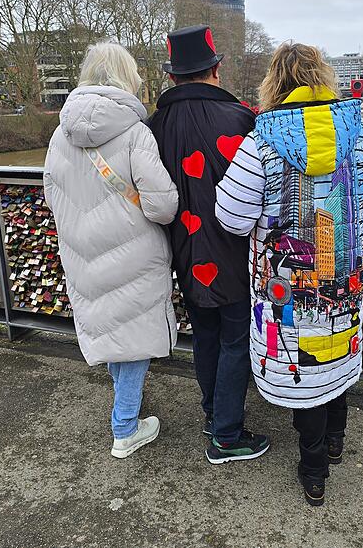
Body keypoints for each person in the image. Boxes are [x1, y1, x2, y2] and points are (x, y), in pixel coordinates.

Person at [215, 42, 363, 505]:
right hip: (343, 281)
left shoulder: (262, 141)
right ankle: (335, 441)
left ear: (275, 84)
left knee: (304, 370)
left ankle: (314, 472)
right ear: (323, 77)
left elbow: (230, 215)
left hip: (286, 287)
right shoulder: (358, 133)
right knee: (338, 357)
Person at [44, 42, 179, 459]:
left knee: (112, 327)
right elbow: (162, 205)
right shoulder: (136, 132)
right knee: (133, 333)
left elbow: (52, 194)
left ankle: (126, 412)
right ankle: (124, 427)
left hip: (83, 252)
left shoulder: (59, 134)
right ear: (128, 78)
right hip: (133, 252)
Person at [148, 25, 270, 464]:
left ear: (172, 76)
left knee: (204, 335)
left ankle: (213, 412)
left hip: (183, 251)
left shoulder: (153, 127)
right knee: (236, 339)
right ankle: (226, 435)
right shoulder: (243, 120)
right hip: (234, 252)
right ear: (215, 69)